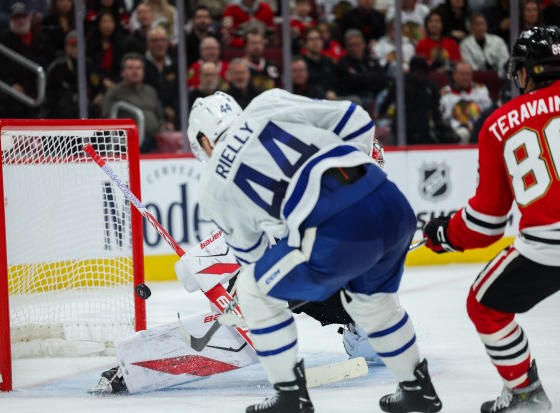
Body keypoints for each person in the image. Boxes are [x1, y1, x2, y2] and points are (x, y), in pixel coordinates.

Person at [187, 89, 442, 413]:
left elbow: (253, 259)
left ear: (205, 140)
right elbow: (358, 120)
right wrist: (353, 176)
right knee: (373, 303)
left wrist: (251, 299)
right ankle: (418, 389)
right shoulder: (268, 103)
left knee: (254, 291)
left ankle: (291, 396)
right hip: (393, 206)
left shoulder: (212, 185)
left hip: (335, 232)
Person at [423, 26, 560, 413]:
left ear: (527, 71)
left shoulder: (501, 122)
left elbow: (485, 225)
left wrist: (445, 234)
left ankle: (525, 395)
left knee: (484, 305)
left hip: (549, 246)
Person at [102, 53, 169, 153]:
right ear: (123, 72)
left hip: (155, 138)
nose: (135, 71)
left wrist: (164, 125)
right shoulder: (114, 92)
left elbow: (159, 116)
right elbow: (106, 119)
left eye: (138, 68)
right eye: (130, 68)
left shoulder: (150, 91)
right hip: (126, 142)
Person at [439, 60, 492, 143]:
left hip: (479, 130)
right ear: (454, 75)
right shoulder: (445, 94)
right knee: (463, 133)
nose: (464, 77)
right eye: (461, 74)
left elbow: (489, 114)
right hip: (455, 133)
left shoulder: (481, 90)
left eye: (467, 74)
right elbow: (443, 119)